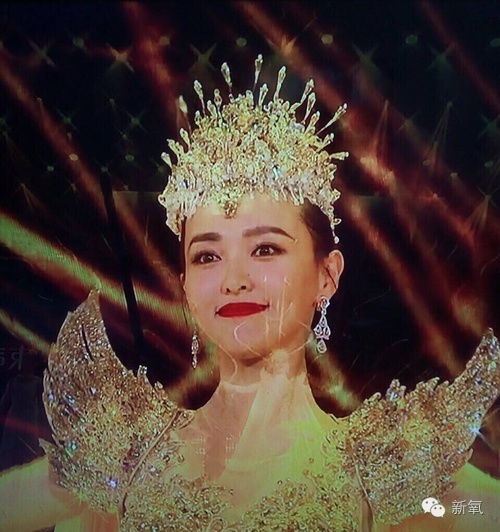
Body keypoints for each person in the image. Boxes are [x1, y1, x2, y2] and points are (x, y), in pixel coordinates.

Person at [0, 56, 499, 531]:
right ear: (186, 287)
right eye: (206, 256)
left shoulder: (379, 469)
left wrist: (437, 505)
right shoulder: (128, 455)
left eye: (265, 249)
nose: (233, 279)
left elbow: (471, 508)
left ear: (327, 275)